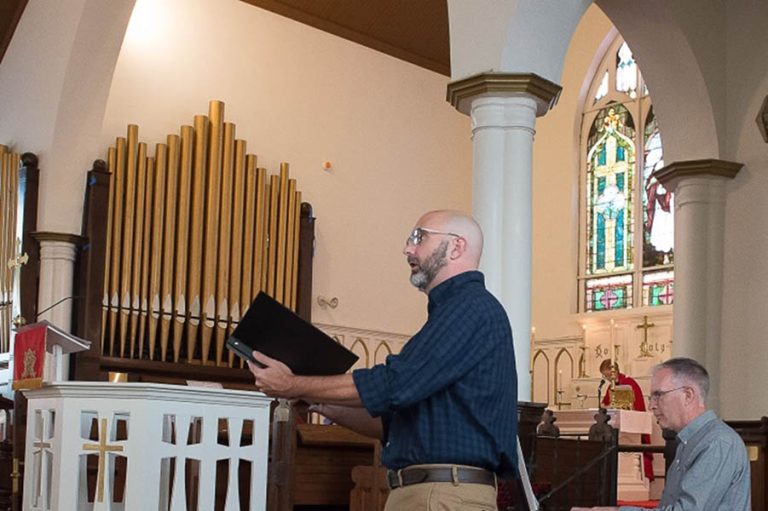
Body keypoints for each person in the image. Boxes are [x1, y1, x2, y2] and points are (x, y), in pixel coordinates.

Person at [248, 210, 518, 511]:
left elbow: (395, 384)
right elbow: (392, 423)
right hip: (428, 493)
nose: (408, 249)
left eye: (419, 237)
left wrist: (293, 383)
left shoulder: (472, 308)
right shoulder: (450, 315)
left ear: (456, 247)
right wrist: (313, 397)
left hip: (444, 496)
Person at [573, 357, 751, 511]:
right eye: (651, 397)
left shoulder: (717, 443)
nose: (651, 406)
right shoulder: (688, 441)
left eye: (658, 395)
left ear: (688, 395)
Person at [599, 359, 654, 481]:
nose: (607, 378)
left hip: (630, 423)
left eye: (608, 375)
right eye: (605, 375)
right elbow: (605, 405)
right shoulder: (610, 387)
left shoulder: (629, 383)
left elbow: (636, 406)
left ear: (614, 371)